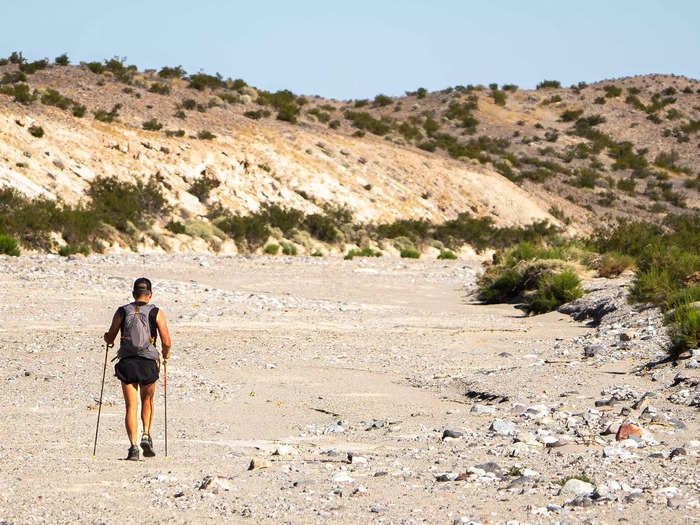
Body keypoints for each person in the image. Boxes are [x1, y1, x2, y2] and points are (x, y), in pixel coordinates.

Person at [104, 277, 171, 461]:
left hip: (127, 363)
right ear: (150, 295)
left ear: (134, 294)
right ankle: (146, 435)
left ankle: (133, 447)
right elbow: (166, 341)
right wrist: (166, 355)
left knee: (130, 406)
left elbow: (110, 337)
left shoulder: (122, 311)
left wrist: (106, 339)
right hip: (148, 362)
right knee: (147, 401)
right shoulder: (156, 312)